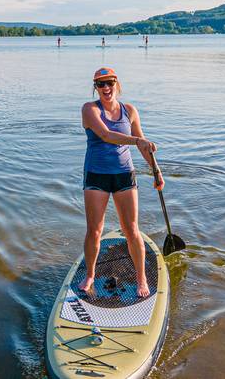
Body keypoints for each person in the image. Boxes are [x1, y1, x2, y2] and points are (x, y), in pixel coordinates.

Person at [80, 67, 164, 297]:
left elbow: (143, 145)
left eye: (109, 83)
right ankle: (90, 274)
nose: (106, 88)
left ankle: (141, 278)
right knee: (94, 231)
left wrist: (156, 171)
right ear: (95, 87)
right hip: (96, 175)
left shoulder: (130, 111)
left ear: (117, 84)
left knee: (131, 230)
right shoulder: (90, 109)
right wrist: (137, 140)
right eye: (100, 84)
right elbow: (106, 135)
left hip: (124, 174)